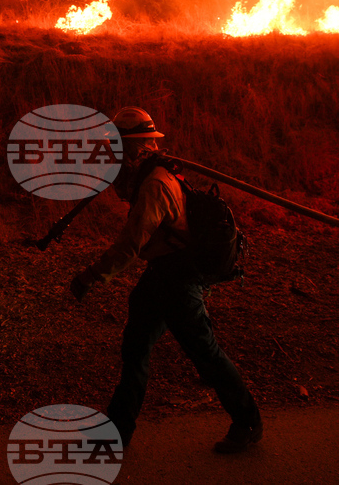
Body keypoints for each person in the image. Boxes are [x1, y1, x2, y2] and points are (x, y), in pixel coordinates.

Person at [70, 107, 262, 453]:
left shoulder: (156, 184)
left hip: (178, 277)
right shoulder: (150, 176)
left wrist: (90, 276)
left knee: (204, 352)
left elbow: (131, 244)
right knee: (136, 349)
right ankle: (117, 433)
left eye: (116, 146)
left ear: (135, 147)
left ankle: (248, 422)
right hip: (162, 274)